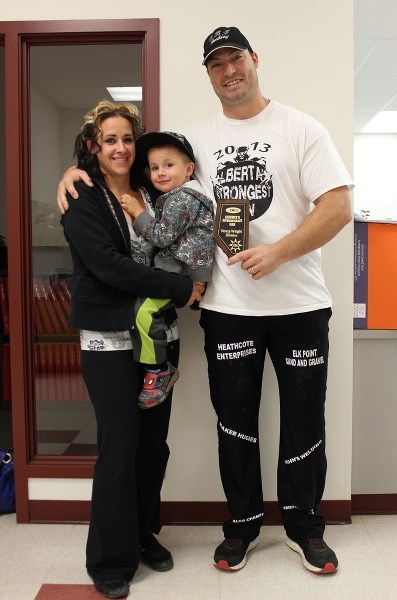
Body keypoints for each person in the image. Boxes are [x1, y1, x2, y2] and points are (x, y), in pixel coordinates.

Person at [57, 26, 353, 577]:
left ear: (253, 60)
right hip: (227, 310)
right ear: (208, 74)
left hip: (300, 307)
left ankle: (304, 527)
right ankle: (241, 527)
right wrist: (74, 170)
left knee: (305, 420)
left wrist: (281, 252)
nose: (228, 71)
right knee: (234, 425)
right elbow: (121, 168)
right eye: (215, 64)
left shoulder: (301, 128)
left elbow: (337, 207)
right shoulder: (190, 140)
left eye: (234, 59)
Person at [60, 99, 203, 599]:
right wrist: (180, 290)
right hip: (110, 341)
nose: (120, 148)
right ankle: (109, 558)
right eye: (109, 140)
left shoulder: (154, 192)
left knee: (152, 446)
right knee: (119, 449)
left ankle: (143, 534)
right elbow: (106, 266)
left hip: (161, 339)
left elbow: (186, 238)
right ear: (95, 148)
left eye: (126, 138)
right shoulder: (82, 195)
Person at [119, 131, 214, 409]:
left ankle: (159, 370)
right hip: (182, 267)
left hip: (179, 269)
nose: (159, 173)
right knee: (150, 310)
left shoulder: (181, 198)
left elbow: (161, 236)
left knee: (146, 312)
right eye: (154, 167)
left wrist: (138, 211)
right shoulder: (180, 194)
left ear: (188, 169)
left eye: (168, 165)